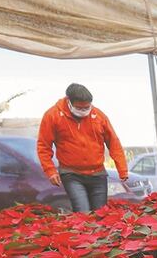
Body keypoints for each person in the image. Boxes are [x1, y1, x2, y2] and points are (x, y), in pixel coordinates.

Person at [37, 83, 127, 213]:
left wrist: (122, 169)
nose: (84, 110)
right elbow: (43, 146)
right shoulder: (53, 115)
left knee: (100, 214)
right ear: (69, 101)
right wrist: (50, 171)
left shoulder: (99, 116)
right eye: (79, 108)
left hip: (98, 173)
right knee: (82, 212)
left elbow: (114, 143)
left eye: (87, 107)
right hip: (71, 174)